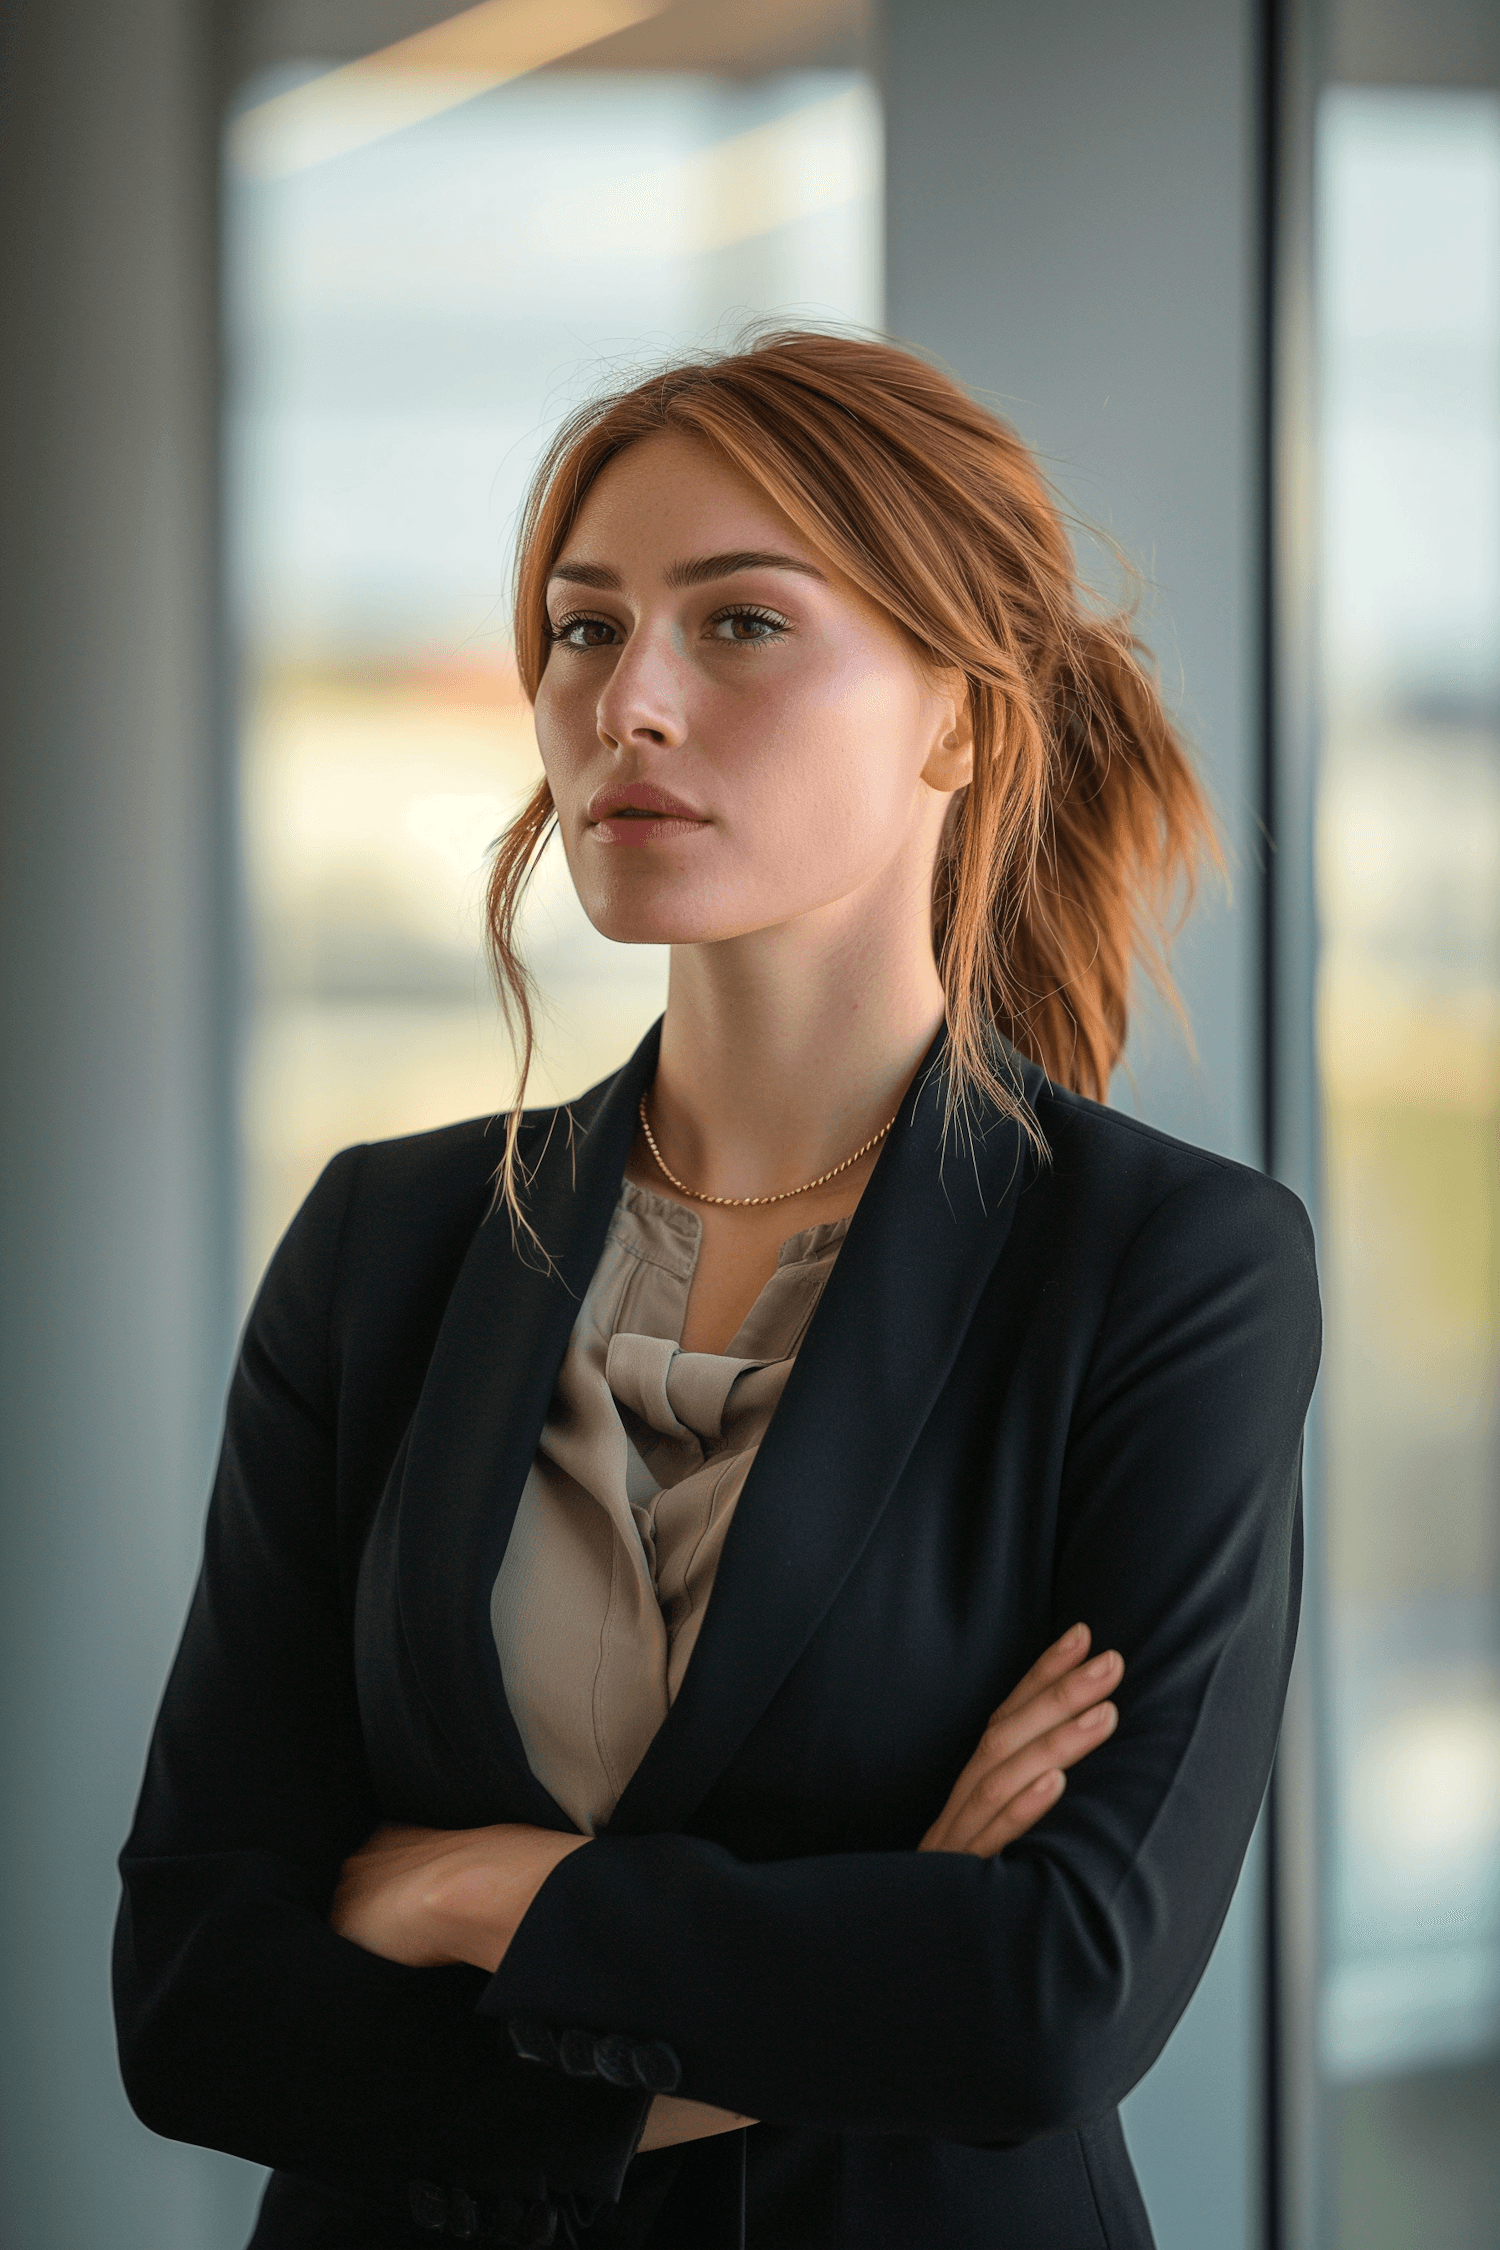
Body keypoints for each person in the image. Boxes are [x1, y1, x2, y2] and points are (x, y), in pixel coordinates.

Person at [114, 330, 1321, 2250]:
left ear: (967, 720)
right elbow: (194, 1999)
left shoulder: (1168, 1269)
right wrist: (846, 1955)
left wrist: (464, 1894)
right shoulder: (385, 1242)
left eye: (740, 624)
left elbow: (1045, 1998)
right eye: (584, 631)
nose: (630, 704)